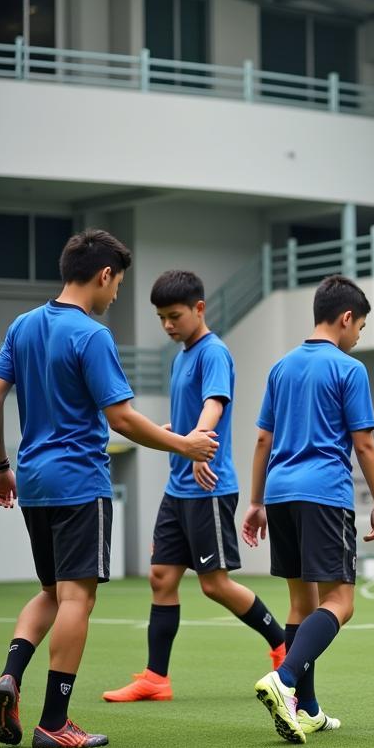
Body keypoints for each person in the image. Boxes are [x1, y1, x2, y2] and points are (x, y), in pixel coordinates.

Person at [0, 230, 217, 748]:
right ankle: (55, 721)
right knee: (76, 598)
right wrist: (184, 445)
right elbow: (123, 420)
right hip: (79, 482)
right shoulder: (91, 336)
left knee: (49, 591)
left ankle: (11, 674)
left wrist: (1, 465)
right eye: (118, 286)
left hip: (35, 480)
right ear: (105, 275)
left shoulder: (22, 326)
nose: (116, 297)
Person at [102, 271, 286, 705]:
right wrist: (177, 433)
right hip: (178, 487)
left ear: (199, 309)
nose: (168, 325)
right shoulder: (180, 356)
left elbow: (214, 404)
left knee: (214, 584)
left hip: (208, 486)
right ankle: (155, 678)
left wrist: (197, 444)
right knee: (161, 577)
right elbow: (190, 412)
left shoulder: (213, 352)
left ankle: (283, 646)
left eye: (175, 316)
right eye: (162, 318)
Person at [244, 276, 374, 743]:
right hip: (324, 494)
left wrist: (256, 500)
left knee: (301, 604)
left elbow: (263, 438)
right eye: (360, 328)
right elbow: (364, 443)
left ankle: (309, 709)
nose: (357, 336)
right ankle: (284, 682)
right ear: (346, 319)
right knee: (341, 603)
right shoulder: (349, 369)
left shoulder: (281, 368)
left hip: (280, 494)